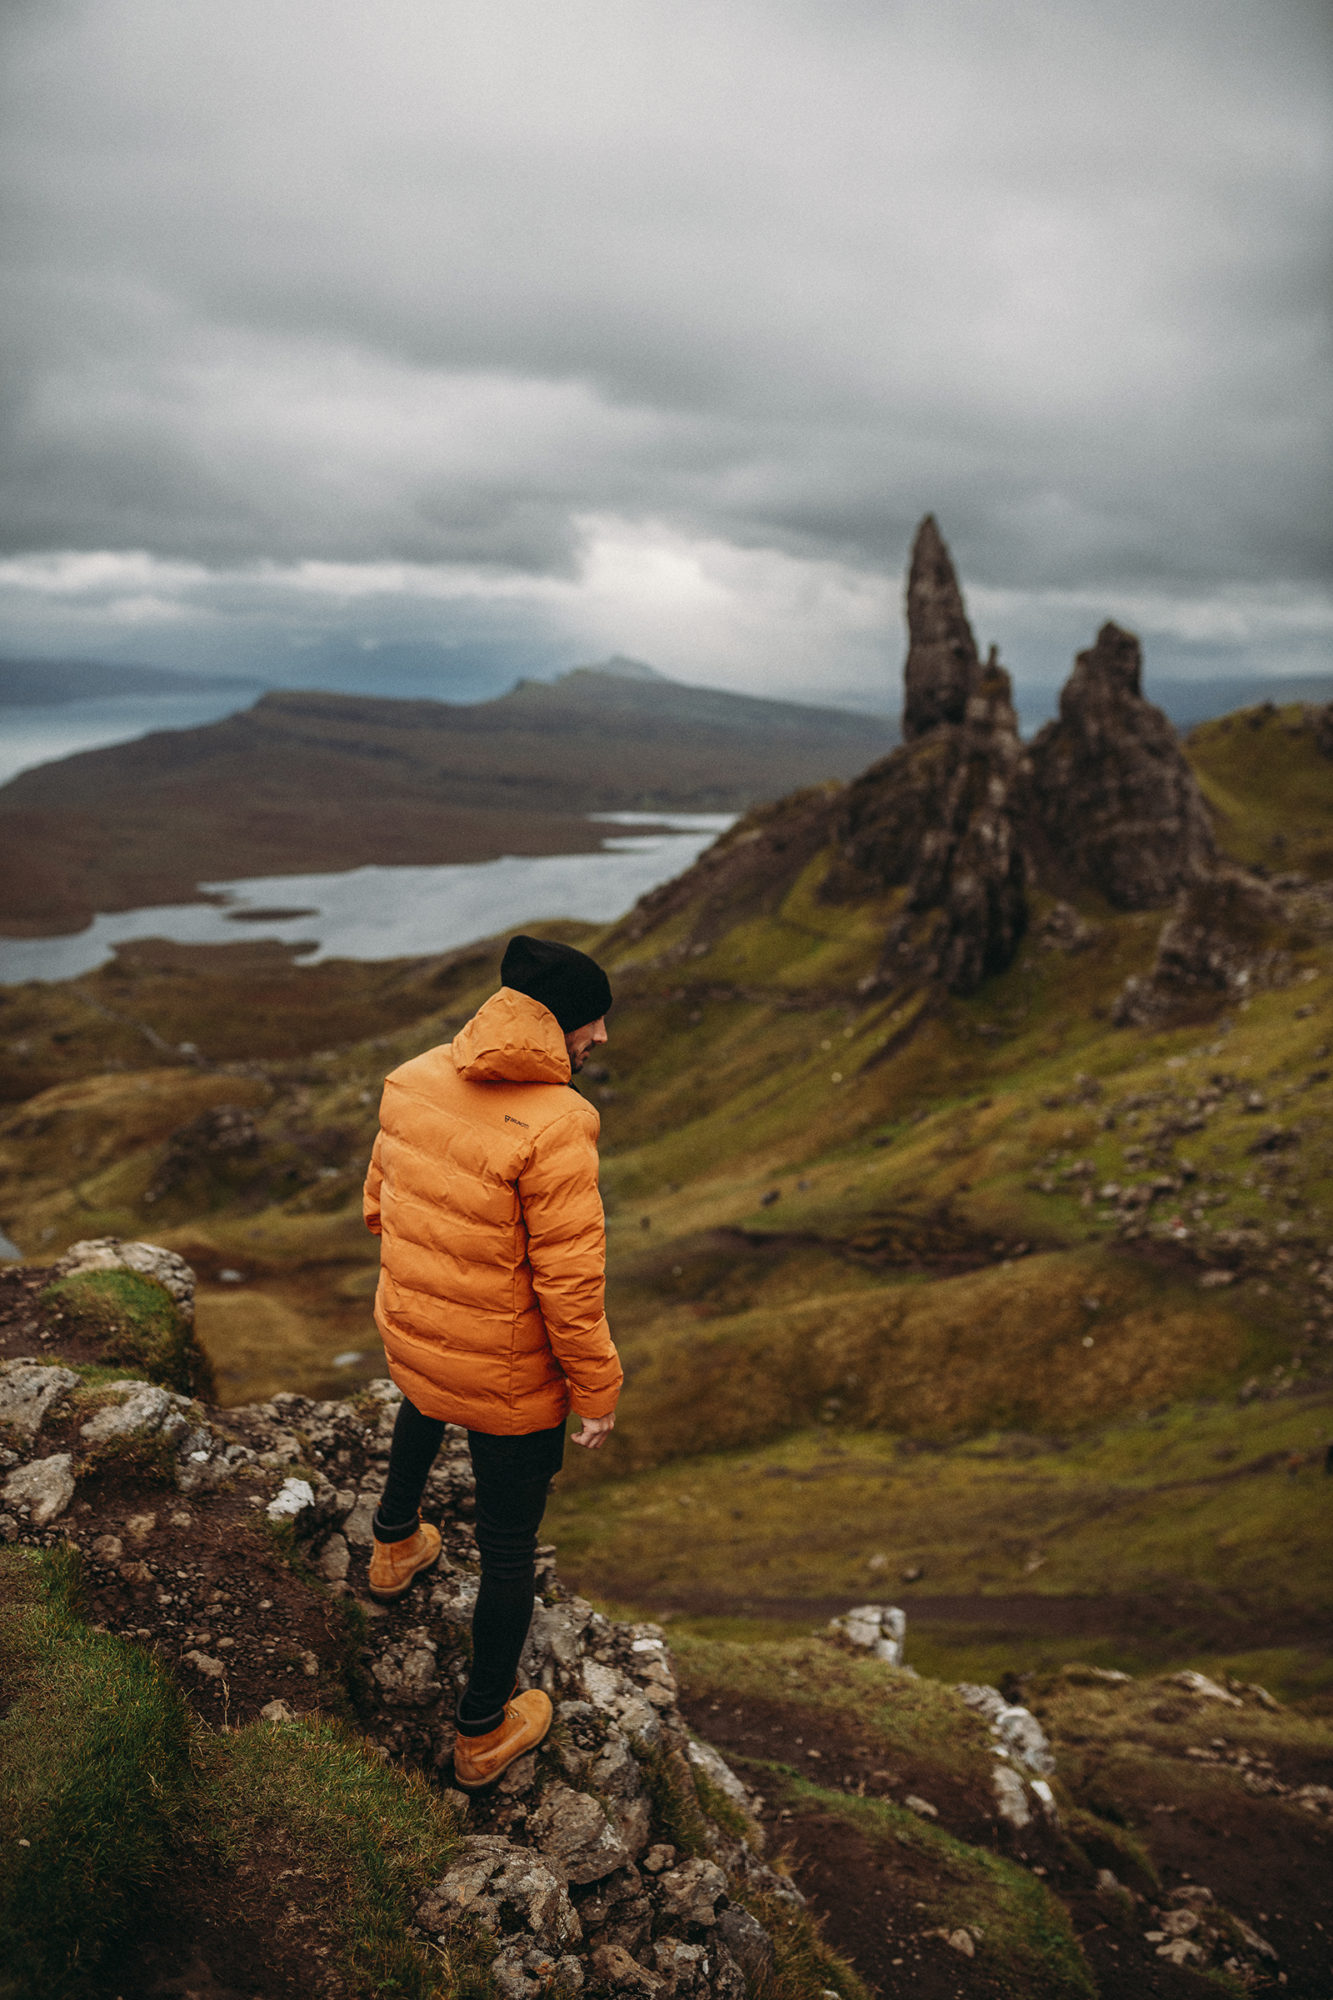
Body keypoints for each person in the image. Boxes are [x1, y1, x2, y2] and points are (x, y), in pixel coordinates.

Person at [362, 933, 623, 1789]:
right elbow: (570, 1283)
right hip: (509, 1374)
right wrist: (596, 1390)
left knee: (425, 1397)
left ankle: (393, 1548)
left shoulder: (412, 1076)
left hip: (417, 1331)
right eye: (593, 1022)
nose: (603, 1038)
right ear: (554, 1024)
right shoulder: (559, 1123)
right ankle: (481, 1731)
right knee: (508, 1547)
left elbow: (379, 1207)